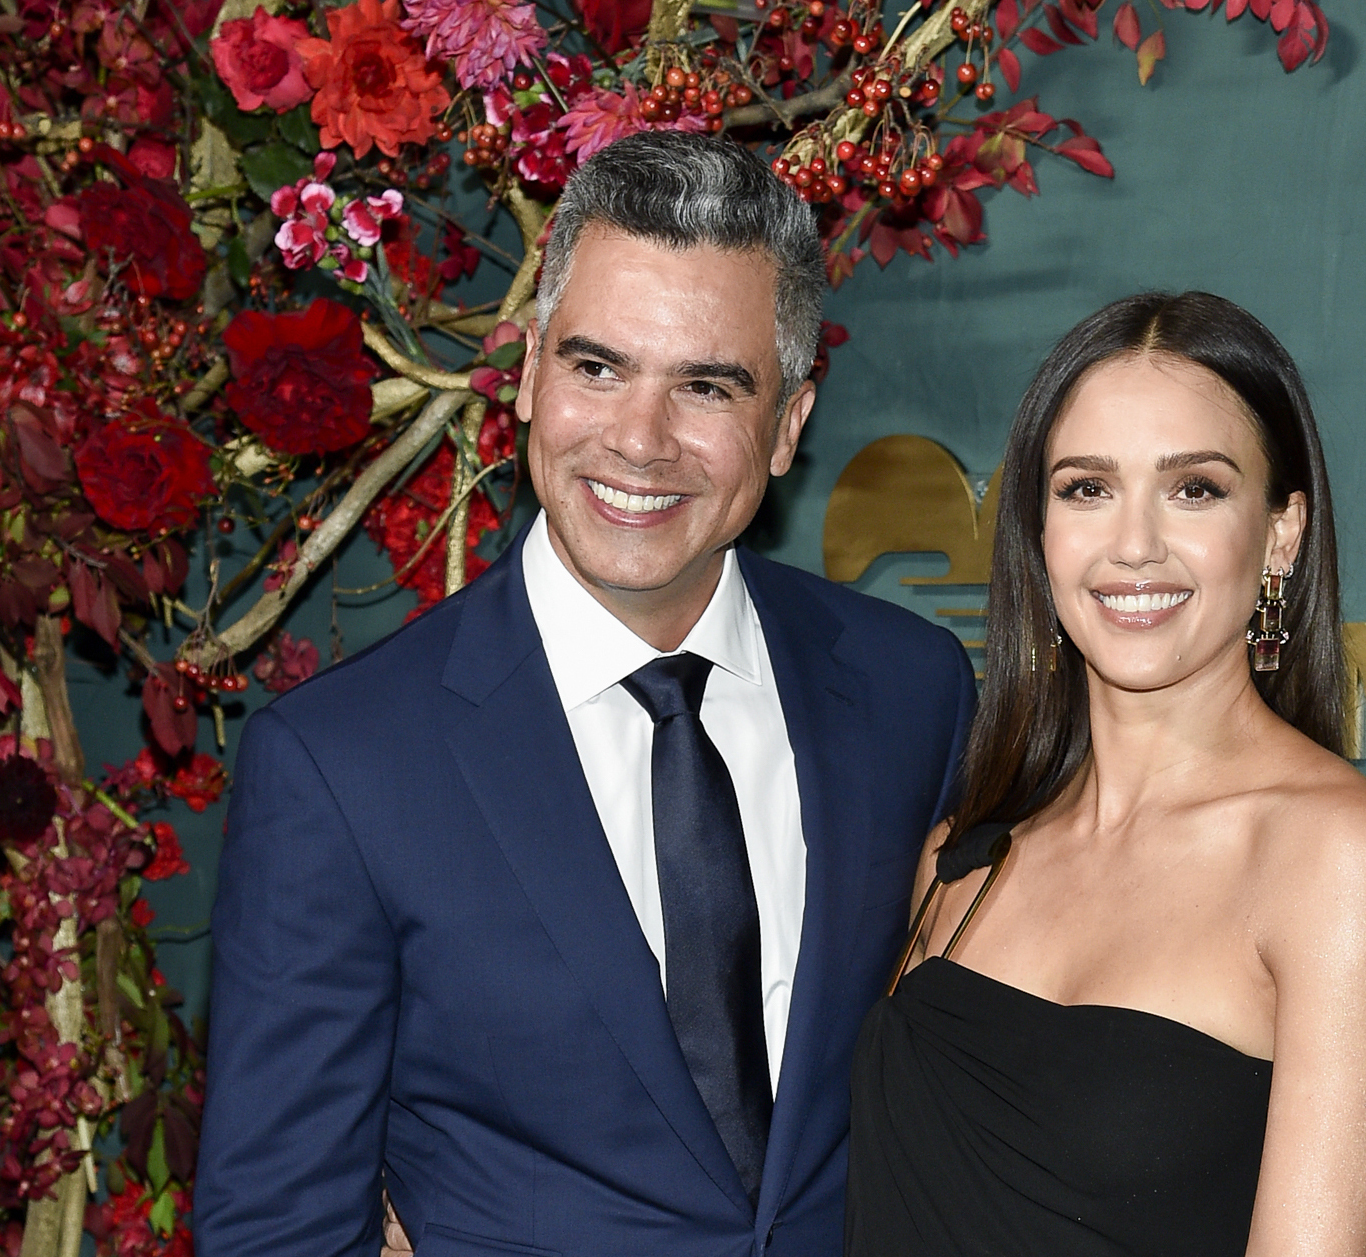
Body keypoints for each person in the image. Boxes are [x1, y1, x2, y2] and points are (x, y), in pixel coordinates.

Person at [195, 132, 977, 1257]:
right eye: (596, 367)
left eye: (707, 385)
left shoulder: (912, 690)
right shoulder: (343, 767)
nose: (638, 441)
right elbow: (276, 1230)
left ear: (789, 427)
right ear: (526, 378)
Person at [846, 292, 1366, 1257]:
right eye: (1087, 488)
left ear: (1281, 533)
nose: (1133, 545)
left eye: (1194, 488)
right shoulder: (963, 855)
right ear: (1039, 529)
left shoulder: (1336, 858)